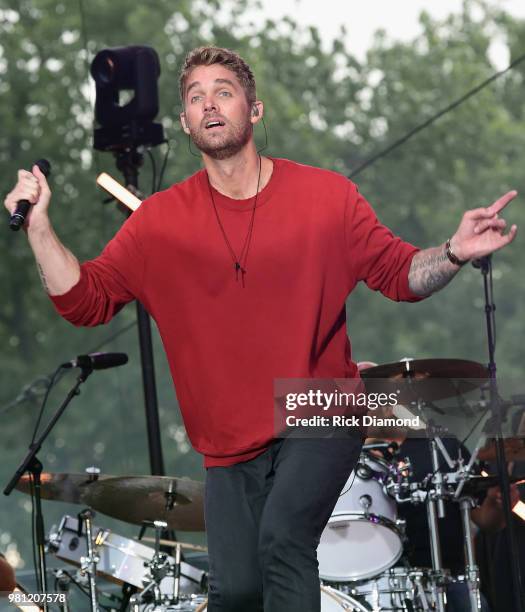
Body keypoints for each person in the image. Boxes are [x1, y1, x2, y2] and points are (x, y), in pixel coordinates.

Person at [4, 46, 518, 612]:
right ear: (184, 123)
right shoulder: (158, 224)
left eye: (223, 90)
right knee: (236, 591)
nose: (209, 104)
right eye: (195, 97)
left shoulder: (325, 197)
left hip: (317, 404)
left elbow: (400, 274)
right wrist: (39, 228)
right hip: (226, 436)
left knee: (282, 542)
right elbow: (84, 301)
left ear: (254, 110)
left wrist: (453, 251)